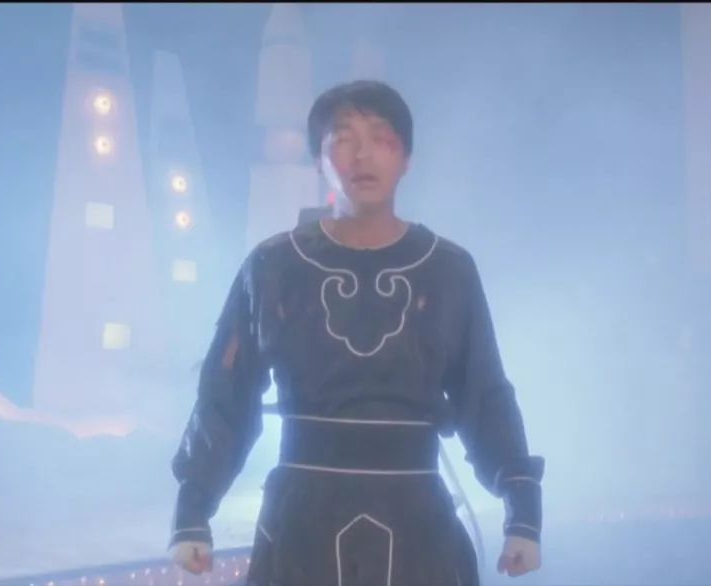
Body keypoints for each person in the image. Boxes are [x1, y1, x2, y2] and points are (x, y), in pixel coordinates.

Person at [168, 80, 544, 585]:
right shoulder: (274, 266)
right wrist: (193, 509)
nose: (362, 155)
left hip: (417, 524)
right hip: (302, 522)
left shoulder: (448, 270)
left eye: (380, 138)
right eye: (343, 138)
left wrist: (522, 509)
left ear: (406, 158)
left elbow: (485, 393)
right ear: (319, 160)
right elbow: (226, 395)